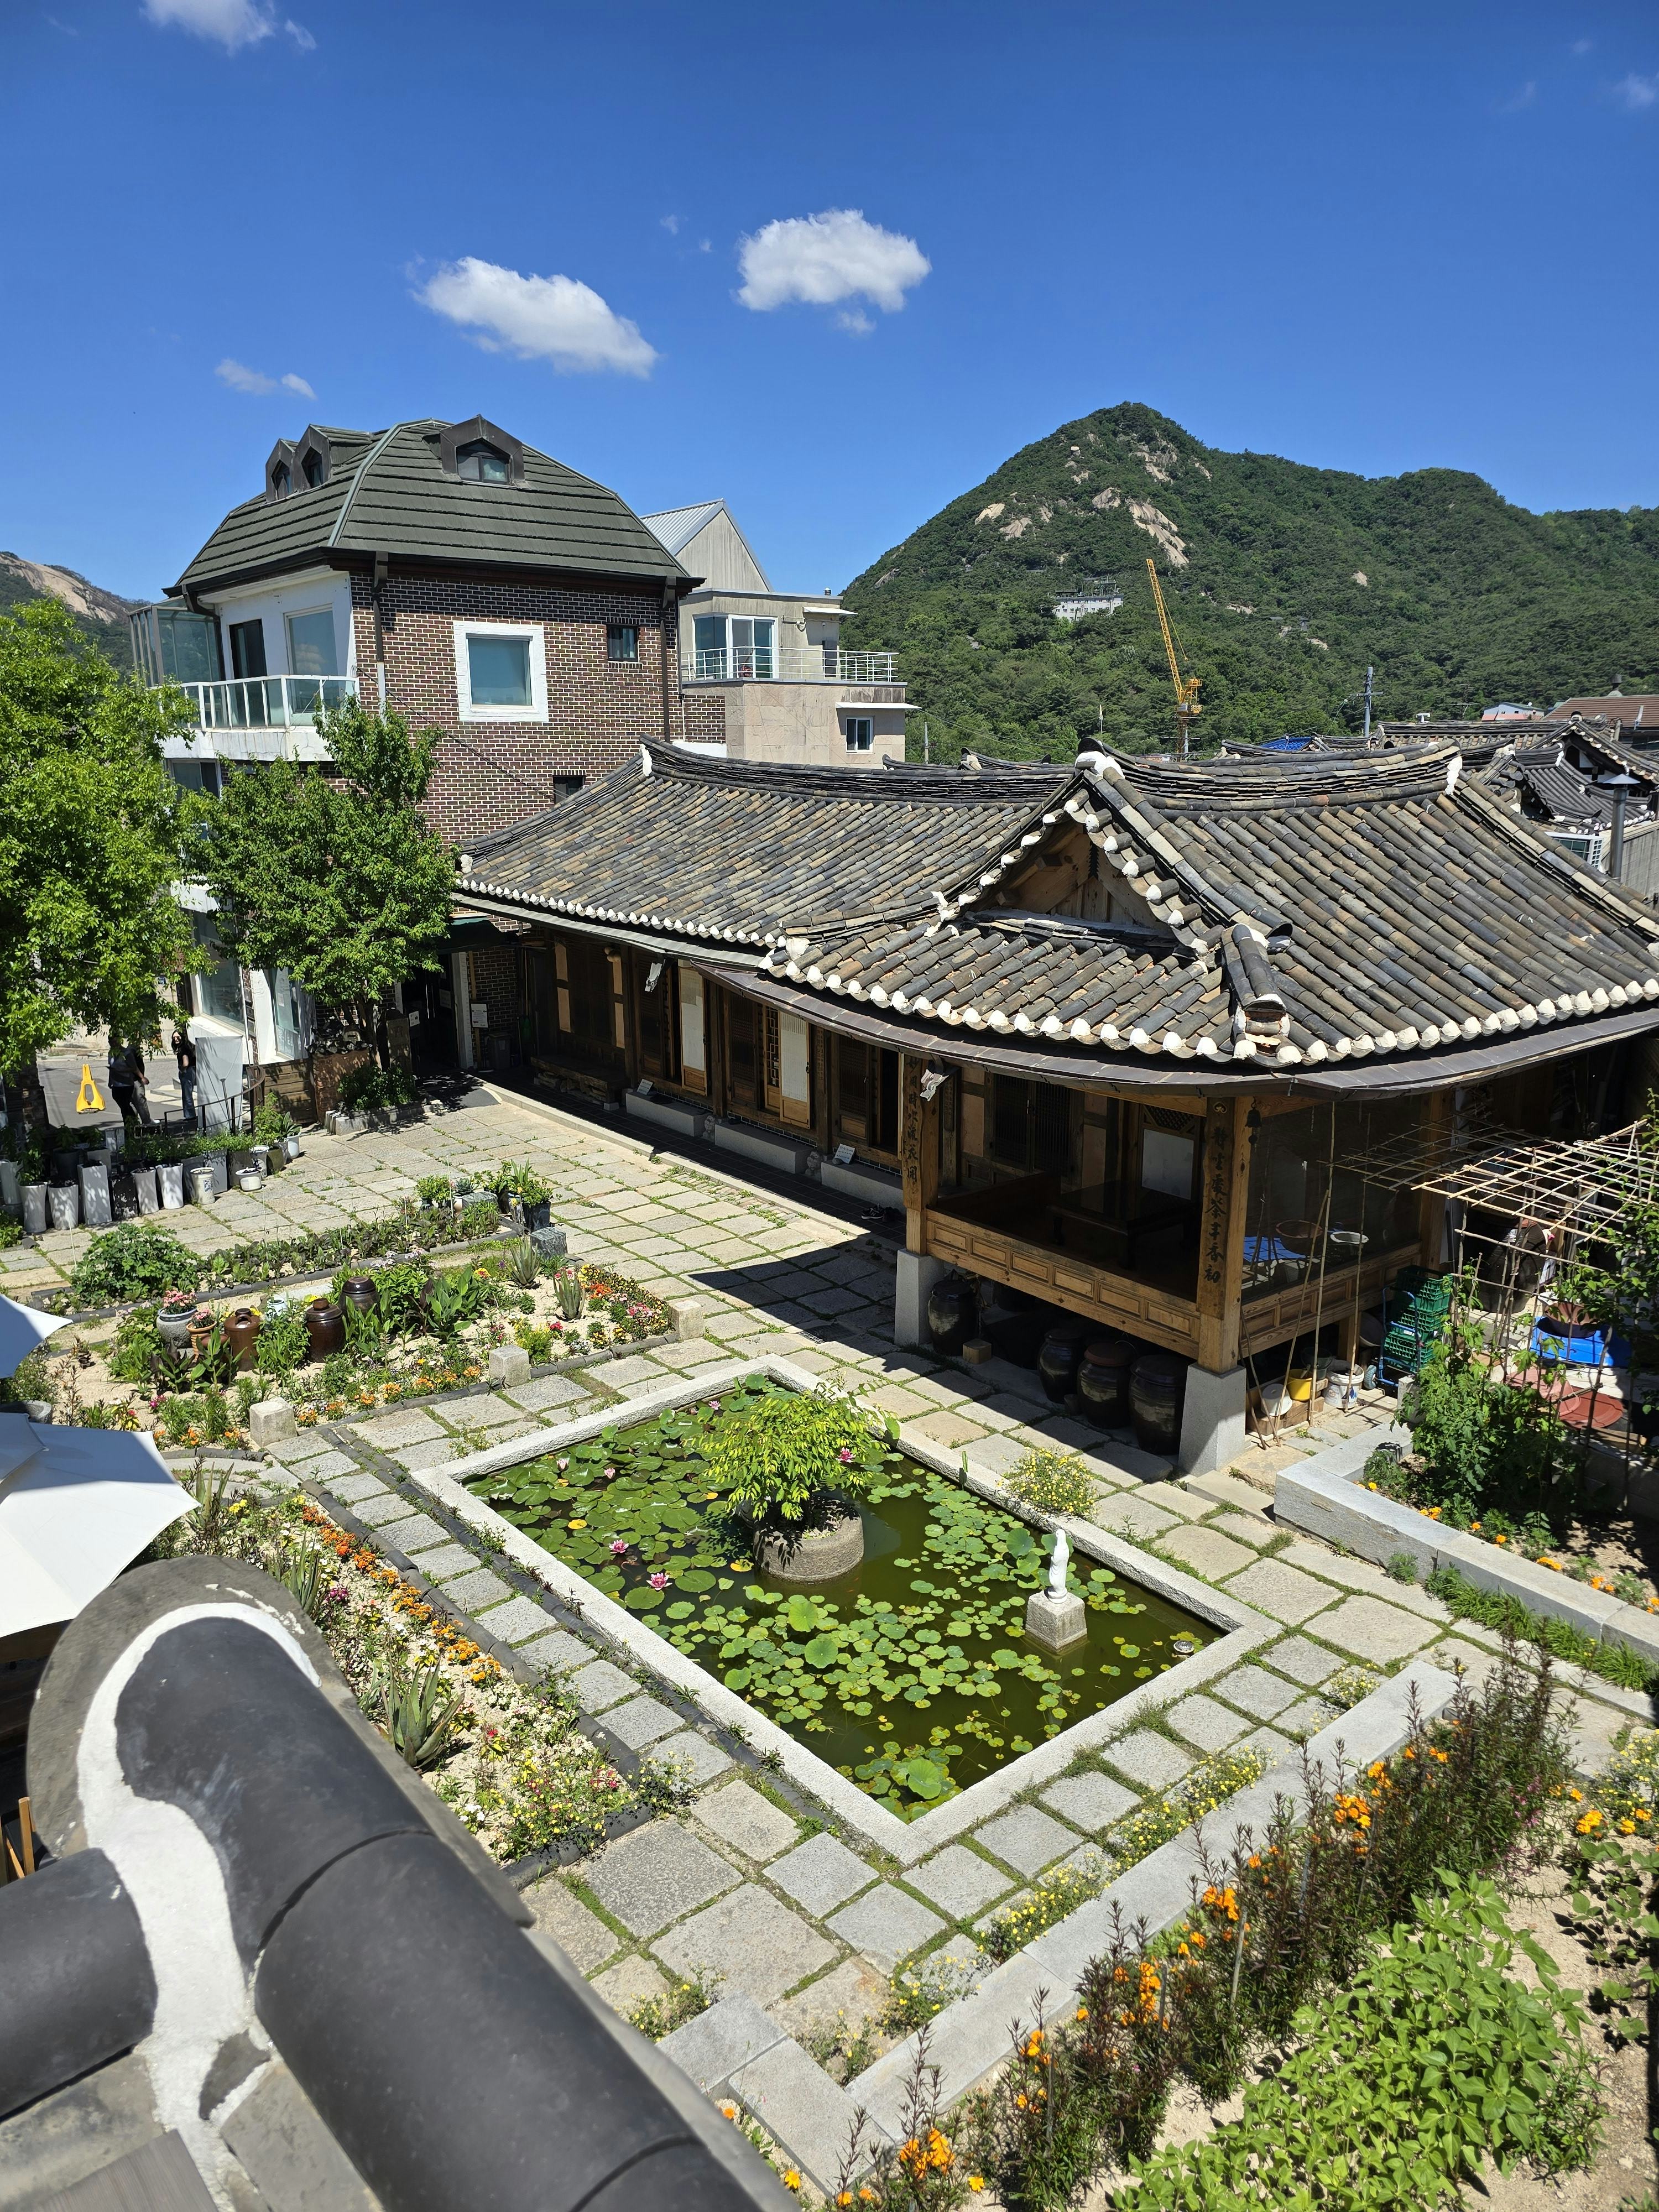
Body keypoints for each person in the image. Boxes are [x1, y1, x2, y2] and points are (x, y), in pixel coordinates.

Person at [172, 1024, 197, 1128]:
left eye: (178, 1037)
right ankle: (189, 1115)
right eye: (174, 1038)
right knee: (187, 1094)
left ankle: (190, 1116)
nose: (176, 1039)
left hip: (187, 1072)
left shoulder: (183, 1049)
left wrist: (182, 1069)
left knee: (187, 1095)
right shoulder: (187, 1047)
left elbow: (185, 1063)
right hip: (191, 1071)